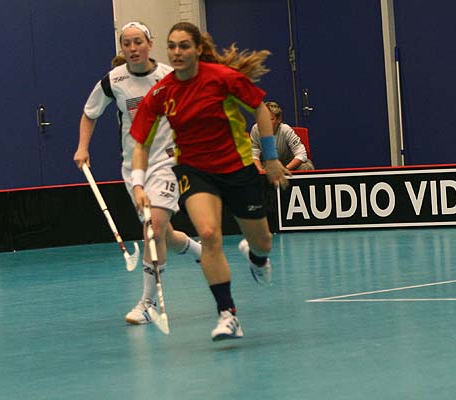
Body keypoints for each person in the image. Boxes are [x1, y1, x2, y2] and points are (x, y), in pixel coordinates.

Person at [130, 22, 290, 341]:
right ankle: (227, 314)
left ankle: (256, 257)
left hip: (237, 167)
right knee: (208, 233)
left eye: (184, 46)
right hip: (194, 170)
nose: (177, 52)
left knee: (263, 242)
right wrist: (137, 184)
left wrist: (271, 158)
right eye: (172, 46)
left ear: (198, 49)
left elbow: (259, 108)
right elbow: (141, 144)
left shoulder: (222, 78)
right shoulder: (162, 93)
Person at [73, 21, 201, 326]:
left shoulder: (170, 76)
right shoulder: (113, 80)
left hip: (167, 163)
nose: (132, 49)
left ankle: (147, 303)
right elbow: (90, 113)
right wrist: (82, 148)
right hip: (134, 169)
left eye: (138, 42)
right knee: (164, 234)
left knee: (153, 229)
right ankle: (202, 251)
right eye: (127, 43)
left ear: (150, 44)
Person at [250, 101, 315, 172]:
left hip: (288, 164)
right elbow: (254, 154)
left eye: (270, 119)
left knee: (306, 166)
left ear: (279, 119)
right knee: (250, 169)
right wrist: (260, 171)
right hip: (267, 165)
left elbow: (301, 154)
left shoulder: (286, 130)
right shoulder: (256, 129)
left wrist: (285, 169)